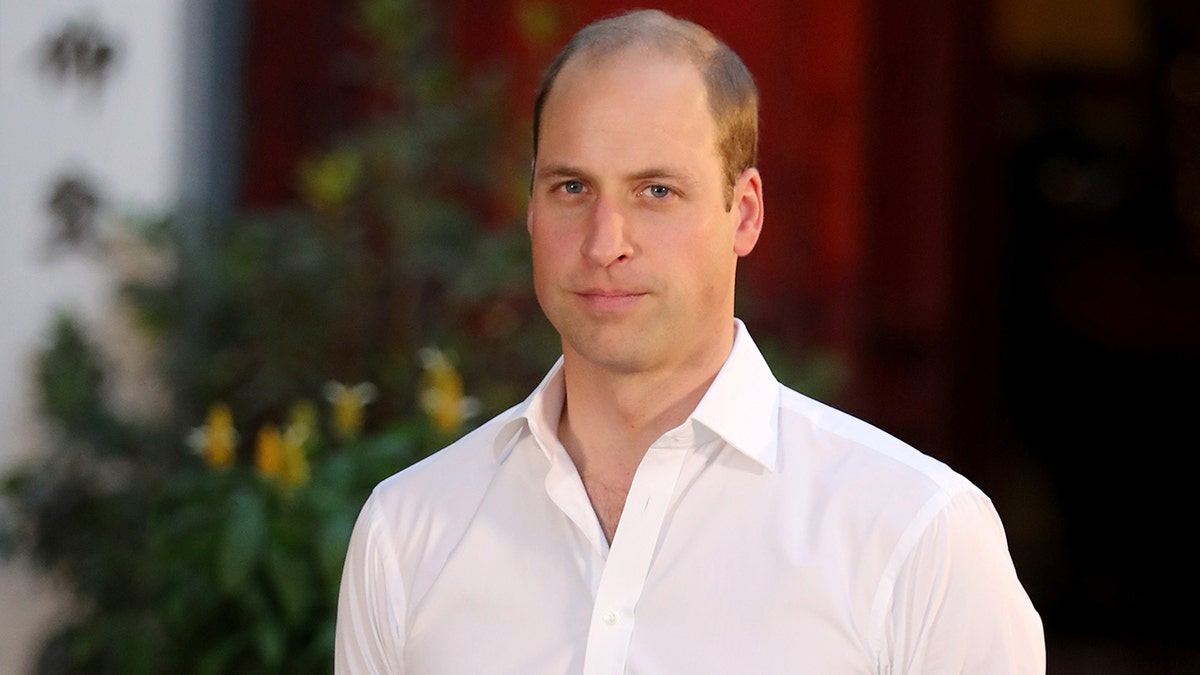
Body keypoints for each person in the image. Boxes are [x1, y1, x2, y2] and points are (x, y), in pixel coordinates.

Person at [335, 8, 1044, 674]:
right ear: (531, 206)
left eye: (656, 192)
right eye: (572, 186)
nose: (605, 242)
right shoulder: (407, 533)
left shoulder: (916, 536)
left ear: (745, 213)